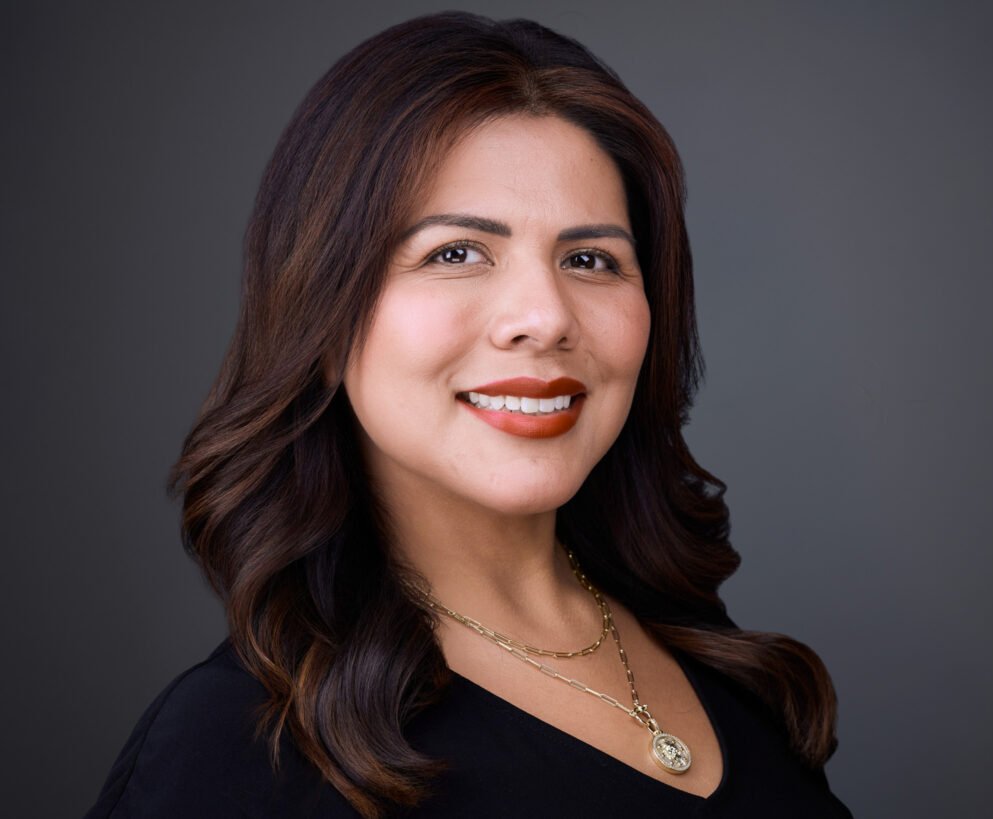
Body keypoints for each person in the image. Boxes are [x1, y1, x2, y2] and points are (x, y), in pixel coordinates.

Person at [85, 12, 852, 818]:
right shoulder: (238, 749)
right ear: (322, 307)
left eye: (590, 259)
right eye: (456, 253)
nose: (544, 316)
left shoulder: (731, 672)